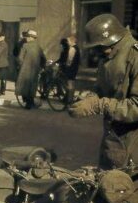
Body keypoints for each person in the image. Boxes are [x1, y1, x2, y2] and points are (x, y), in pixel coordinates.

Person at [69, 13, 138, 169]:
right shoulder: (107, 57)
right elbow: (102, 89)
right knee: (106, 185)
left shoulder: (135, 57)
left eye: (99, 47)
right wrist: (89, 98)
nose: (96, 52)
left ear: (111, 40)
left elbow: (136, 107)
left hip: (133, 147)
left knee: (121, 190)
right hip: (113, 141)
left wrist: (98, 105)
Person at [15, 29, 46, 109]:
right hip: (35, 70)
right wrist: (42, 67)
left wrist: (22, 66)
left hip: (25, 70)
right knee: (32, 86)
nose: (27, 38)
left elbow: (20, 58)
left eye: (28, 37)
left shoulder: (25, 46)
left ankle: (28, 104)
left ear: (31, 38)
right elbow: (43, 59)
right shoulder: (39, 47)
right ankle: (31, 103)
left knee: (24, 86)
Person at [59, 35, 80, 104]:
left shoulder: (72, 49)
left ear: (72, 41)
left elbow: (69, 60)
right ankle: (70, 99)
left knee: (70, 85)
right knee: (72, 85)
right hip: (75, 68)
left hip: (71, 69)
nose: (67, 42)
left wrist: (66, 66)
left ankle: (69, 100)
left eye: (68, 41)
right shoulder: (77, 48)